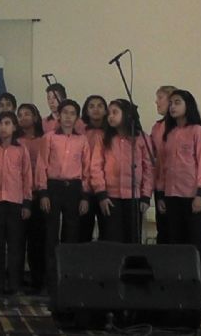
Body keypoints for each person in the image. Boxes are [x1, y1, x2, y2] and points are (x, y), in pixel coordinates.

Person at [35, 99, 90, 293]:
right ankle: (50, 281)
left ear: (77, 117)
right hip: (53, 187)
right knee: (51, 235)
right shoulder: (49, 137)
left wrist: (84, 196)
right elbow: (41, 164)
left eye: (72, 113)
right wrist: (43, 192)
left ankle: (68, 279)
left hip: (74, 188)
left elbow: (87, 168)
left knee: (71, 234)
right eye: (64, 112)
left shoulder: (82, 140)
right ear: (58, 116)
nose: (68, 116)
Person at [157, 90, 201, 274]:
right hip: (171, 196)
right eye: (170, 103)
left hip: (191, 197)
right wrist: (162, 195)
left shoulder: (198, 131)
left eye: (177, 102)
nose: (172, 106)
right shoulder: (170, 133)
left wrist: (200, 194)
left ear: (188, 105)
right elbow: (165, 167)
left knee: (194, 244)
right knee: (174, 242)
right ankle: (176, 282)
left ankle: (197, 285)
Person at [90, 99, 153, 243]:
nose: (110, 116)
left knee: (132, 239)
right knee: (112, 238)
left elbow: (148, 168)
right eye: (109, 113)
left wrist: (146, 196)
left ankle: (132, 265)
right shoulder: (104, 138)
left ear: (127, 114)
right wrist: (101, 194)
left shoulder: (141, 138)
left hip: (134, 197)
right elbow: (96, 167)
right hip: (110, 198)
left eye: (115, 112)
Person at [0, 112, 32, 296]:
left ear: (14, 127)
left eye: (7, 123)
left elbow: (27, 177)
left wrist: (27, 203)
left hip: (15, 202)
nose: (3, 127)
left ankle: (15, 284)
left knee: (16, 245)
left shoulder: (21, 150)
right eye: (0, 124)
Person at [16, 103, 46, 292]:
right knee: (18, 240)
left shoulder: (44, 140)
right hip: (18, 196)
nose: (23, 117)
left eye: (27, 114)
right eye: (20, 115)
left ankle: (38, 279)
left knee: (38, 240)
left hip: (40, 194)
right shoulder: (15, 142)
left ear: (35, 117)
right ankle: (17, 279)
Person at [78, 95, 107, 242]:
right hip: (84, 190)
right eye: (91, 106)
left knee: (107, 234)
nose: (96, 109)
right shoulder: (80, 133)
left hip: (106, 190)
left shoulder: (111, 133)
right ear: (86, 111)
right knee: (83, 233)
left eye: (100, 105)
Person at [151, 85, 176, 244]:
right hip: (161, 187)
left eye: (160, 98)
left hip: (181, 189)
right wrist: (159, 194)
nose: (156, 102)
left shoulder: (184, 127)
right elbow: (155, 160)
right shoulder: (157, 127)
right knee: (164, 231)